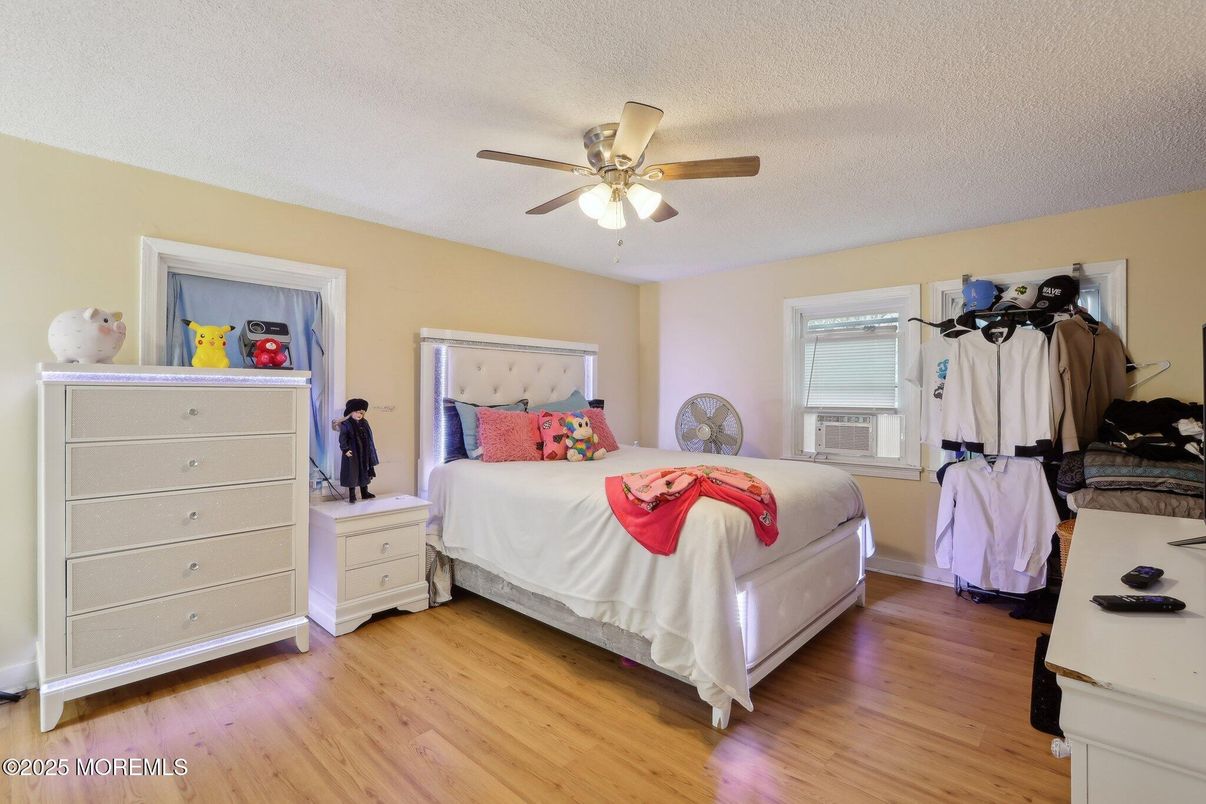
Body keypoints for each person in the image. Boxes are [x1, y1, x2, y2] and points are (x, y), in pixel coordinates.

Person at [337, 398, 379, 503]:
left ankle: (365, 492)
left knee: (364, 471)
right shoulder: (346, 424)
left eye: (361, 413)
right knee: (352, 472)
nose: (359, 415)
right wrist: (345, 449)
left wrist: (370, 450)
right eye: (357, 412)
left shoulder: (364, 423)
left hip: (364, 452)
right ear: (351, 412)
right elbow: (342, 438)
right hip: (353, 452)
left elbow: (369, 437)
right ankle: (352, 495)